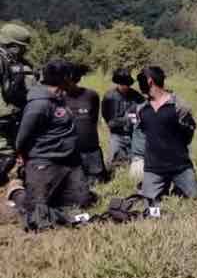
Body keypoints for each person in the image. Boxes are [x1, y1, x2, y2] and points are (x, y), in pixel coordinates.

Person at [14, 59, 92, 230]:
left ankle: (55, 193)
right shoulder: (39, 104)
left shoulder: (59, 98)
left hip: (69, 161)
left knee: (82, 202)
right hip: (45, 161)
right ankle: (15, 192)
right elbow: (23, 135)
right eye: (70, 77)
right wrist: (21, 155)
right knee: (36, 210)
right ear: (64, 78)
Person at [136, 65, 197, 202]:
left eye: (141, 80)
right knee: (149, 202)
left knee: (195, 198)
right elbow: (143, 133)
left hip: (180, 166)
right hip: (153, 168)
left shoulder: (179, 105)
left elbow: (189, 132)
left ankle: (177, 186)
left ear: (149, 81)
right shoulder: (142, 109)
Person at [63, 64, 107, 185]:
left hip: (91, 149)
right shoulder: (59, 99)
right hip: (71, 152)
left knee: (98, 182)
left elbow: (93, 120)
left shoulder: (91, 96)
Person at [101, 68, 143, 166]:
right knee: (111, 163)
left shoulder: (136, 95)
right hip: (117, 134)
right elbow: (106, 116)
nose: (125, 86)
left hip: (133, 134)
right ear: (118, 83)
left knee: (135, 162)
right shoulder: (109, 96)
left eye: (127, 84)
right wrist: (124, 120)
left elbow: (144, 108)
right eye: (122, 84)